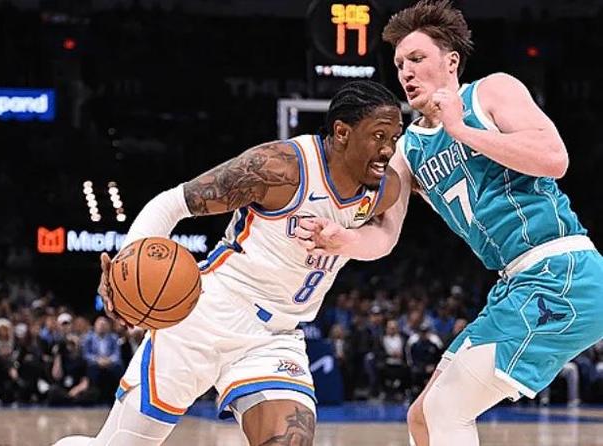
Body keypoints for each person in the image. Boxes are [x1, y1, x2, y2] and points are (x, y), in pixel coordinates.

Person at [294, 1, 603, 445]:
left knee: (446, 410)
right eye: (400, 64)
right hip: (514, 285)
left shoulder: (491, 92)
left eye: (417, 58)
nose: (406, 72)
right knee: (422, 416)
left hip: (562, 271)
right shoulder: (408, 150)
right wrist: (342, 239)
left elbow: (554, 159)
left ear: (451, 62)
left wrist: (461, 129)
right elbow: (385, 237)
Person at [53, 80, 403, 446]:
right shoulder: (280, 169)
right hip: (207, 315)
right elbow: (172, 204)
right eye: (378, 136)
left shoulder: (383, 190)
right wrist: (124, 268)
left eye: (394, 138)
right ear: (342, 132)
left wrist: (345, 239)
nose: (387, 149)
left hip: (275, 336)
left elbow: (383, 236)